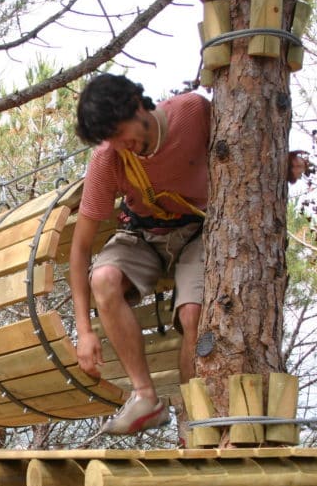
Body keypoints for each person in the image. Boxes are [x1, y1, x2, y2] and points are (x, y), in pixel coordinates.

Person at [69, 74, 211, 437]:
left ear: (137, 105)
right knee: (103, 278)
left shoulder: (194, 113)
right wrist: (84, 331)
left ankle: (191, 419)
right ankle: (145, 397)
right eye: (110, 140)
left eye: (121, 132)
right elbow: (81, 248)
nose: (121, 145)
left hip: (198, 230)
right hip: (143, 233)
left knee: (194, 314)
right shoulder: (109, 159)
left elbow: (247, 148)